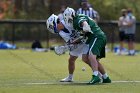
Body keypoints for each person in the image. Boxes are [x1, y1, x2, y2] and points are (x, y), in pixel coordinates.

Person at [63, 7, 111, 84]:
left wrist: (85, 26)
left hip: (97, 36)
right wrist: (73, 42)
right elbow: (83, 36)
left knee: (91, 57)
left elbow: (84, 23)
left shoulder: (77, 19)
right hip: (94, 37)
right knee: (85, 58)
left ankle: (96, 76)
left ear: (70, 15)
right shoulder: (77, 20)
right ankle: (106, 77)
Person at [46, 14, 90, 82]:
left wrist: (79, 38)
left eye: (52, 26)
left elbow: (82, 30)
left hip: (86, 39)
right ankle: (70, 78)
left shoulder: (68, 22)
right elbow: (71, 41)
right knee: (71, 60)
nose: (52, 29)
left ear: (55, 22)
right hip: (78, 41)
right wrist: (66, 48)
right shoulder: (61, 33)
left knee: (87, 59)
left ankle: (99, 74)